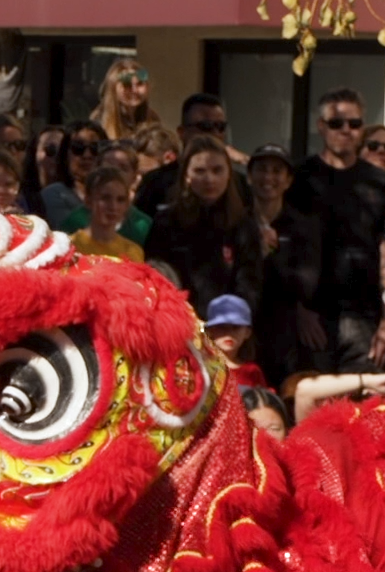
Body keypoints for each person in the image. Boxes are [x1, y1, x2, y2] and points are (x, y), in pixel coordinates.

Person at [290, 88, 385, 375]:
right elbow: (285, 249)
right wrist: (299, 310)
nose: (346, 130)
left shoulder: (380, 184)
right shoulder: (299, 178)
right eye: (337, 123)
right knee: (313, 408)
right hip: (311, 316)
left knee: (363, 410)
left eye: (354, 123)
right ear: (321, 126)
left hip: (364, 317)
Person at [147, 136, 264, 317]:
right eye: (200, 171)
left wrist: (230, 322)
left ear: (229, 173)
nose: (210, 179)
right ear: (186, 175)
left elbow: (249, 285)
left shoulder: (243, 224)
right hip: (179, 324)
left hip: (228, 327)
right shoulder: (167, 222)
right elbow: (158, 275)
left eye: (217, 170)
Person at [248, 143, 321, 388]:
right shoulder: (236, 220)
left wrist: (273, 253)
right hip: (244, 326)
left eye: (277, 171)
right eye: (261, 169)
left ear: (288, 180)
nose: (268, 177)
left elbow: (306, 283)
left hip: (286, 329)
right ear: (249, 176)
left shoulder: (302, 225)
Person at [135, 94, 240, 217]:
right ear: (182, 132)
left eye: (220, 127)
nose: (214, 133)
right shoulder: (156, 182)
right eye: (205, 126)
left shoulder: (238, 184)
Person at [71, 166, 144, 262]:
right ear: (88, 201)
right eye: (105, 198)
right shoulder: (71, 247)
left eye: (120, 200)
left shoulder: (133, 252)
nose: (113, 207)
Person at [41, 119, 104, 220]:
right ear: (65, 153)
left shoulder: (116, 195)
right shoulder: (55, 194)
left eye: (94, 148)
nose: (87, 155)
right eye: (78, 148)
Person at [204, 294, 266, 388]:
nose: (229, 333)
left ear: (247, 332)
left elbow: (263, 401)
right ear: (210, 331)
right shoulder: (202, 368)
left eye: (235, 327)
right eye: (222, 327)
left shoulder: (252, 371)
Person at [92, 57, 160, 143]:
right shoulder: (100, 120)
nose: (134, 90)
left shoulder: (152, 118)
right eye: (127, 85)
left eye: (139, 84)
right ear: (113, 89)